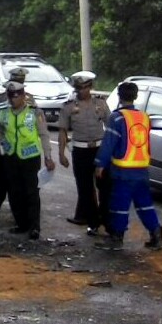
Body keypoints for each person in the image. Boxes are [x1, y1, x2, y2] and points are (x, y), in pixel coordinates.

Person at [94, 82, 162, 251]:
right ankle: (156, 234)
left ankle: (117, 238)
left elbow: (109, 143)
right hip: (141, 170)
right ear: (136, 96)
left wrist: (100, 164)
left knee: (119, 205)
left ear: (119, 96)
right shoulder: (144, 117)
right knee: (144, 204)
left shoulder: (117, 118)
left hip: (122, 171)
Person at [0, 80, 55, 240]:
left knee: (31, 192)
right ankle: (21, 223)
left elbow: (44, 135)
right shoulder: (3, 112)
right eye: (10, 96)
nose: (13, 100)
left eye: (16, 96)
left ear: (23, 96)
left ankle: (34, 227)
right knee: (14, 192)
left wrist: (48, 157)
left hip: (30, 157)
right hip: (11, 156)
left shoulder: (34, 112)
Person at [58, 71, 112, 235]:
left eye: (85, 87)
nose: (82, 91)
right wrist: (61, 154)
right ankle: (93, 222)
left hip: (99, 149)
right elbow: (62, 131)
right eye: (79, 88)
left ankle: (107, 220)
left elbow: (110, 127)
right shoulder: (68, 107)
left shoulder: (101, 104)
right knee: (85, 188)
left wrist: (111, 151)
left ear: (90, 87)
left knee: (105, 187)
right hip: (80, 151)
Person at [0, 67, 32, 218]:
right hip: (3, 147)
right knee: (0, 180)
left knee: (21, 182)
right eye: (16, 81)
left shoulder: (29, 100)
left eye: (21, 81)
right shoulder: (0, 101)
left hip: (22, 148)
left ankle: (21, 211)